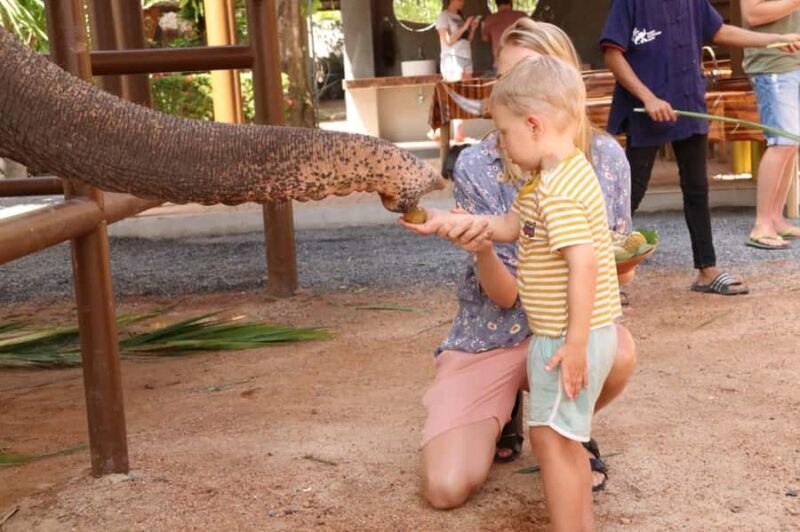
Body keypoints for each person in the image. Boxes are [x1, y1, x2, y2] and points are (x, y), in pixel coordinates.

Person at [405, 20, 637, 511]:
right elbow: (510, 236)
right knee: (452, 485)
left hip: (562, 333)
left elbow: (591, 264)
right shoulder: (537, 172)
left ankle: (570, 453)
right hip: (499, 333)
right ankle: (517, 414)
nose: (501, 128)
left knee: (555, 440)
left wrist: (576, 344)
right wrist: (453, 226)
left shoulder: (572, 178)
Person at [601, 0, 800, 294]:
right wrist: (648, 98)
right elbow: (612, 54)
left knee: (697, 189)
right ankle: (601, 274)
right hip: (646, 108)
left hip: (687, 100)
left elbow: (720, 31)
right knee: (630, 193)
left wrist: (775, 40)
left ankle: (707, 270)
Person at [741, 0, 800, 249]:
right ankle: (761, 223)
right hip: (773, 63)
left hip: (793, 62)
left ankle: (776, 218)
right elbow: (752, 14)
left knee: (791, 142)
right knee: (782, 142)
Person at [435, 0, 480, 142]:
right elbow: (448, 41)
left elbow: (467, 40)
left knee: (462, 95)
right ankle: (456, 133)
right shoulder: (444, 16)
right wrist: (465, 25)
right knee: (456, 95)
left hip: (466, 57)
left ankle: (437, 130)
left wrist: (472, 28)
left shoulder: (460, 17)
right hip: (452, 58)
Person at [481, 0, 528, 68]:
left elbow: (485, 38)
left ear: (496, 3)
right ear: (511, 2)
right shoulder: (521, 16)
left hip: (500, 61)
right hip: (522, 59)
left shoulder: (490, 19)